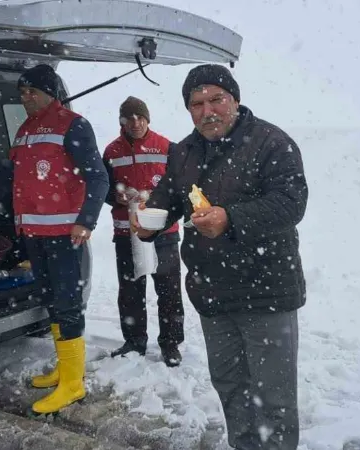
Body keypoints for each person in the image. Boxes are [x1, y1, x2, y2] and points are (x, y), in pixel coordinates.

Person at [131, 64, 308, 449]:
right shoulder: (184, 151)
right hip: (212, 294)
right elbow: (168, 197)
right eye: (197, 104)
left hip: (266, 292)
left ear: (235, 100)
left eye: (216, 100)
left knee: (273, 397)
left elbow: (291, 203)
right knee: (230, 387)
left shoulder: (271, 143)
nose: (207, 111)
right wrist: (149, 220)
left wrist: (231, 217)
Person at [8, 64, 109, 415]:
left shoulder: (73, 124)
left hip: (65, 235)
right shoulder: (24, 129)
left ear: (50, 93)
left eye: (32, 91)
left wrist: (86, 222)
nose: (25, 97)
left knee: (67, 304)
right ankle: (63, 370)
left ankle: (74, 383)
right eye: (22, 92)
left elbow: (99, 178)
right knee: (50, 300)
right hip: (33, 233)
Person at [102, 96, 184, 367]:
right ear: (121, 121)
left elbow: (178, 189)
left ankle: (170, 344)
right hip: (126, 233)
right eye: (130, 118)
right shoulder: (111, 152)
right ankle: (134, 341)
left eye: (141, 117)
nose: (136, 123)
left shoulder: (167, 147)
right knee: (130, 291)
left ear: (148, 119)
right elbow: (102, 188)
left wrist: (156, 200)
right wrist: (117, 195)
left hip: (163, 233)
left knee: (169, 291)